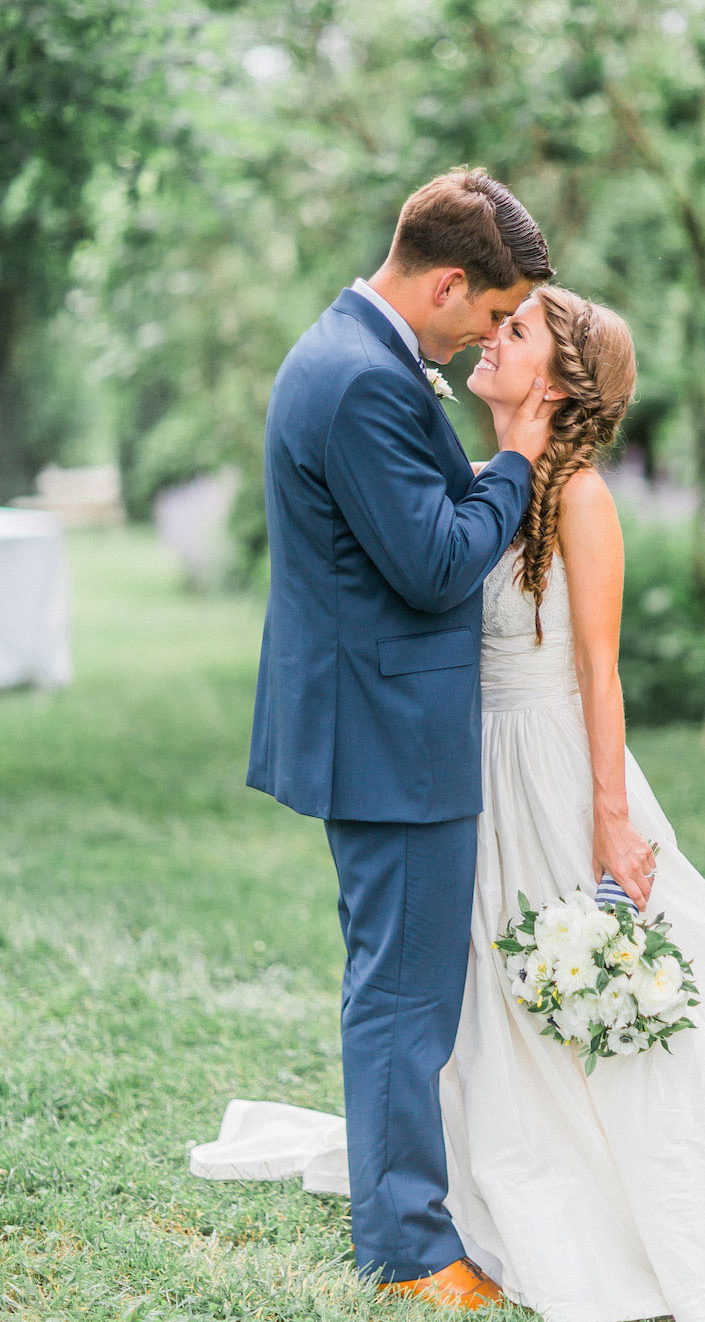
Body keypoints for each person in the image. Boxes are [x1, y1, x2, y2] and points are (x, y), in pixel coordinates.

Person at [196, 283, 705, 1322]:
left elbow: (599, 671)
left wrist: (611, 818)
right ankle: (475, 1161)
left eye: (519, 331)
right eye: (497, 320)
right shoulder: (482, 472)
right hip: (457, 767)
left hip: (548, 768)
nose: (494, 338)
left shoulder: (578, 497)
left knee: (594, 977)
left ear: (560, 381)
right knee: (479, 981)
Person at [243, 168, 557, 1309]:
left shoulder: (354, 354)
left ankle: (412, 1215)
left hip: (373, 717)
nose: (491, 333)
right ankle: (412, 1251)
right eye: (490, 311)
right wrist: (516, 454)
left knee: (401, 984)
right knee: (401, 995)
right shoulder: (362, 381)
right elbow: (431, 564)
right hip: (387, 732)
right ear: (446, 281)